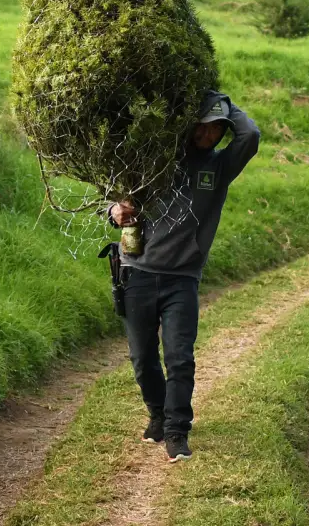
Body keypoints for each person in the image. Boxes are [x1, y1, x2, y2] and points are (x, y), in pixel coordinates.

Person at [107, 92, 260, 463]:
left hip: (182, 279)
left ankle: (177, 430)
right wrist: (114, 211)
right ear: (188, 124)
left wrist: (220, 100)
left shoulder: (220, 169)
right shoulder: (156, 161)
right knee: (142, 358)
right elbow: (114, 199)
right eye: (202, 125)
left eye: (216, 129)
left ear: (223, 134)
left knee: (179, 357)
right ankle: (158, 415)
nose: (207, 134)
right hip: (136, 272)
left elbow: (251, 135)